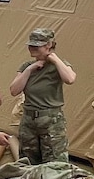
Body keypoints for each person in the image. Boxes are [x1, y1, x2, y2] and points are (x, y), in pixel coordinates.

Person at [9, 28, 76, 165]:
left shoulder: (58, 65)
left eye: (37, 46)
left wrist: (54, 58)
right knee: (28, 161)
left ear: (48, 45)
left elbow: (70, 79)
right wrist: (30, 69)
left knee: (55, 163)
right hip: (29, 119)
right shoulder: (27, 66)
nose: (32, 48)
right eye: (31, 45)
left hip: (51, 120)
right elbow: (14, 90)